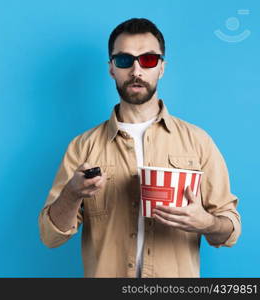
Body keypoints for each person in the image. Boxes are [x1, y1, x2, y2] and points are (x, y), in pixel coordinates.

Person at [38, 18, 241, 278]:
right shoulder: (82, 147)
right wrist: (71, 194)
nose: (136, 70)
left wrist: (207, 222)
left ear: (162, 67)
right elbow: (50, 236)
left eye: (148, 60)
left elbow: (230, 229)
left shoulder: (198, 142)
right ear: (111, 68)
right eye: (124, 60)